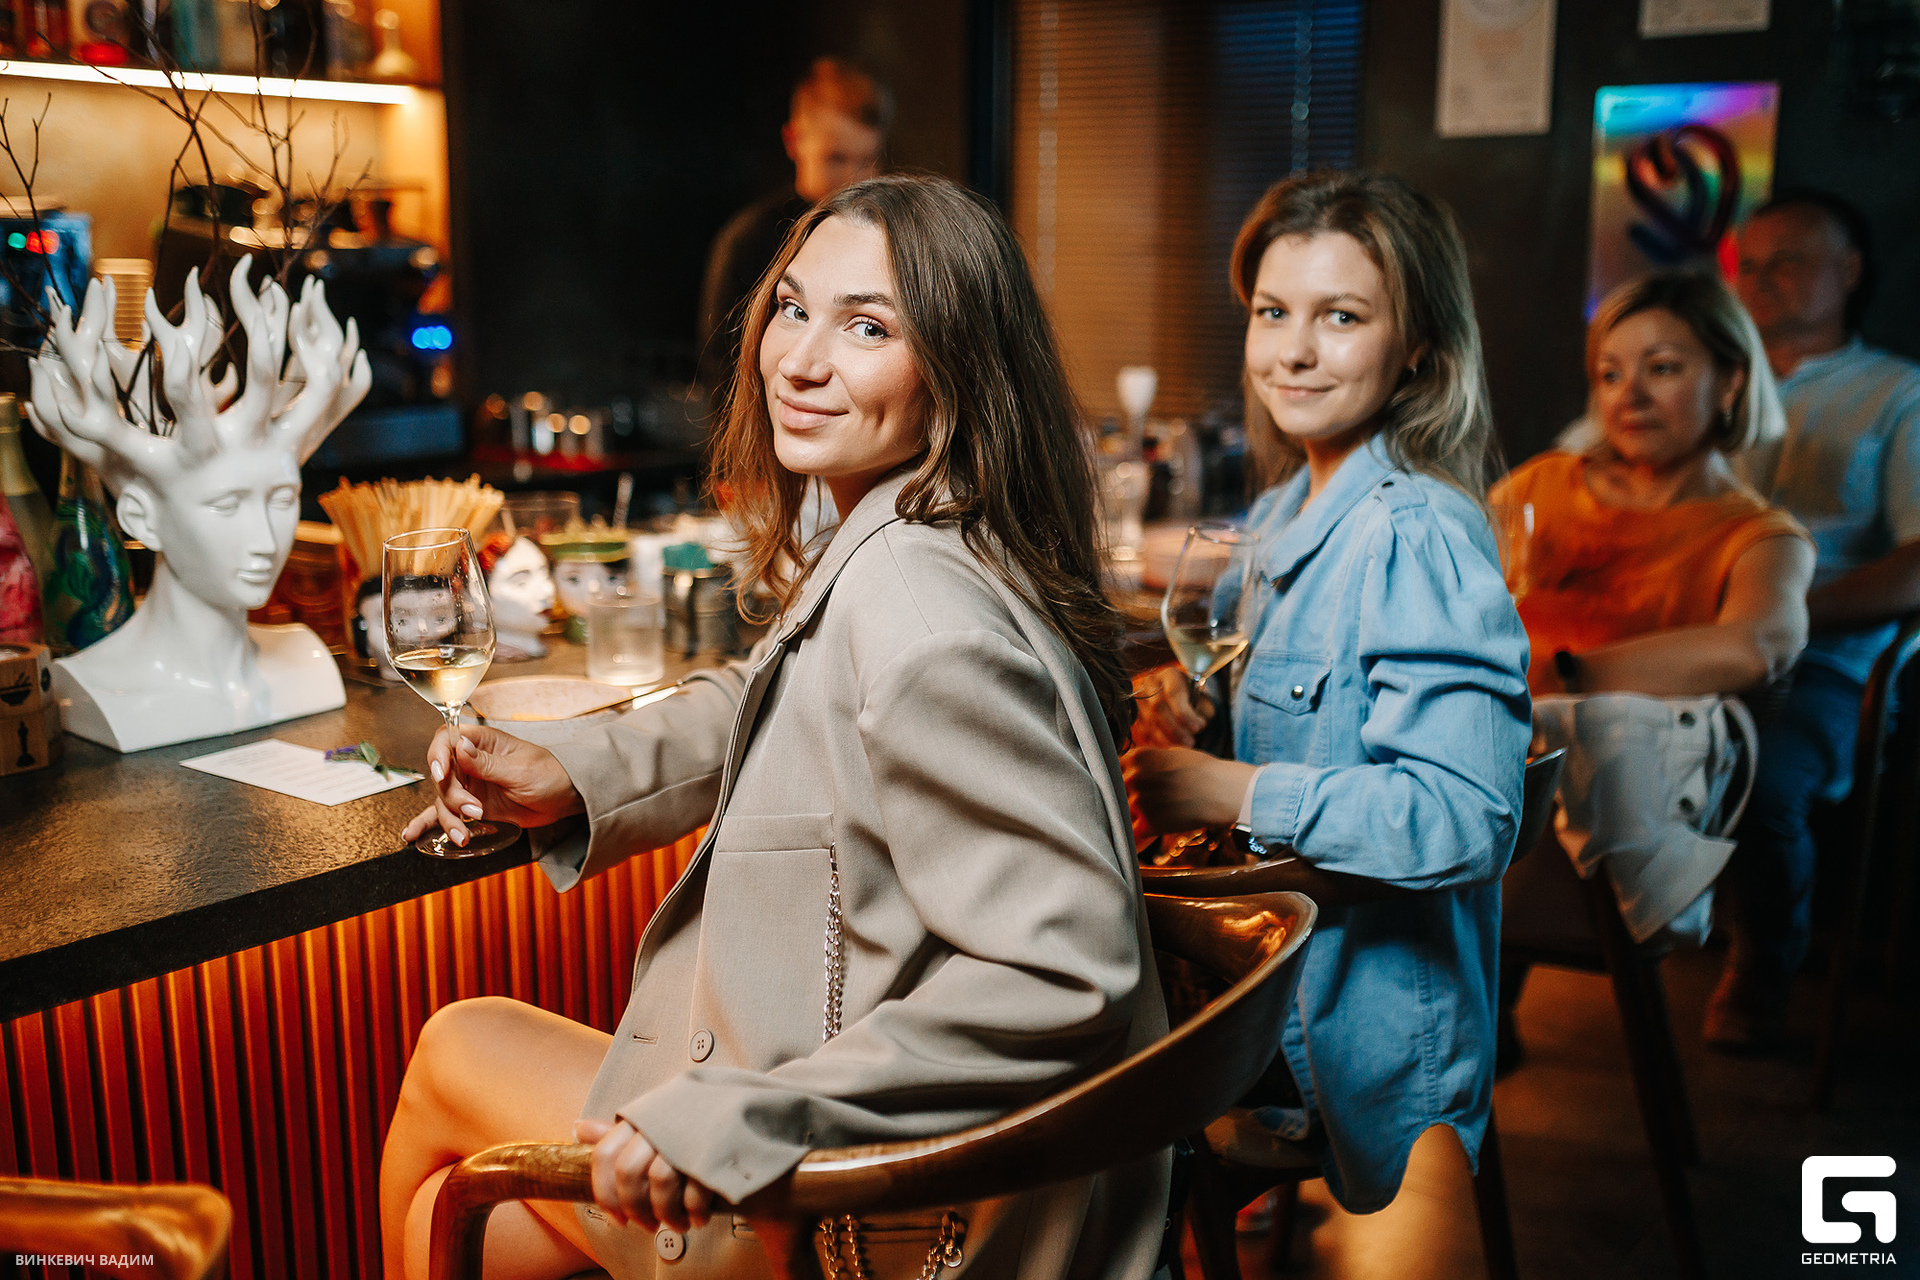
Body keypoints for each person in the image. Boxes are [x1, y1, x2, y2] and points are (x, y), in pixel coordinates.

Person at [379, 174, 1168, 1279]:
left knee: (454, 1047)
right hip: (874, 1150)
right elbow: (769, 690)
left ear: (958, 367)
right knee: (458, 1220)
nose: (798, 359)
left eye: (869, 327)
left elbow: (1072, 966)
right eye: (794, 308)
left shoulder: (918, 612)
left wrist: (752, 1114)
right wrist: (574, 768)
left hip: (872, 1209)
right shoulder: (919, 525)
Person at [1127, 169, 1531, 1219]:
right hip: (1269, 989)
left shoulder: (1411, 532)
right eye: (1273, 312)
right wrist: (1195, 701)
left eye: (1340, 317)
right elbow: (1287, 706)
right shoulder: (1283, 509)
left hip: (1345, 1037)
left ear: (1420, 346)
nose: (1293, 351)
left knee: (1054, 1074)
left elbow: (1468, 817)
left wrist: (1229, 790)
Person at [1492, 272, 1812, 970]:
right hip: (1494, 758)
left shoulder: (1760, 535)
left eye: (1661, 368)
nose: (1628, 395)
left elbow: (1760, 646)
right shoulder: (1541, 485)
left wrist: (1564, 675)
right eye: (1610, 374)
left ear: (1731, 382)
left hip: (1601, 795)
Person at [1714, 190, 1920, 1047]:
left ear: (1849, 270)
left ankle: (1764, 965)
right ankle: (1511, 976)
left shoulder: (1897, 393)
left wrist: (1782, 620)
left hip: (1822, 661)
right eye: (1750, 265)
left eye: (1789, 261)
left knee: (1761, 781)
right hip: (1681, 642)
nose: (1764, 280)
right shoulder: (1703, 378)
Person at [696, 57, 891, 395]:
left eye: (867, 162)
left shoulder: (884, 238)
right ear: (793, 140)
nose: (853, 179)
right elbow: (724, 370)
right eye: (836, 158)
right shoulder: (749, 241)